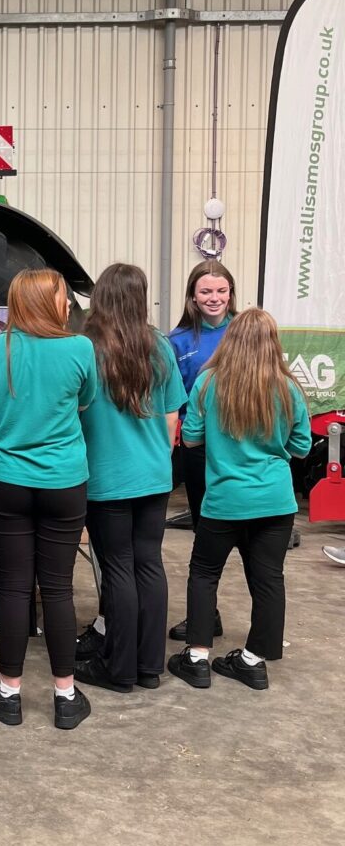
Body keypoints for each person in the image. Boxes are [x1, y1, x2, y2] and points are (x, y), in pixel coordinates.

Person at [0, 269, 97, 731]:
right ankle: (65, 695)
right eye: (62, 298)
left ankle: (8, 694)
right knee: (57, 586)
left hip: (7, 482)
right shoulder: (80, 349)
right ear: (48, 303)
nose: (67, 306)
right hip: (64, 482)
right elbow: (84, 402)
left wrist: (2, 437)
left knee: (15, 584)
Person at [168, 308, 311, 692]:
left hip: (225, 500)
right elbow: (300, 448)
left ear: (230, 339)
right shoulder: (289, 388)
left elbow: (192, 439)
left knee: (204, 573)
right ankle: (253, 662)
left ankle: (196, 658)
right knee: (268, 580)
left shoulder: (208, 382)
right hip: (276, 503)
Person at [74, 264, 184, 693]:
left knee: (117, 567)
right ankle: (148, 667)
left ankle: (118, 670)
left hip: (108, 475)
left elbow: (77, 412)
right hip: (155, 474)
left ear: (100, 297)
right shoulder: (159, 345)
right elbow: (174, 414)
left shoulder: (88, 347)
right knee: (149, 564)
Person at [165, 260, 237, 642]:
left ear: (231, 293)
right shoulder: (177, 341)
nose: (214, 298)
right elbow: (172, 402)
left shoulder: (243, 333)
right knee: (205, 529)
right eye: (206, 291)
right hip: (197, 449)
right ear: (193, 295)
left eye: (221, 291)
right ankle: (208, 613)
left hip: (239, 449)